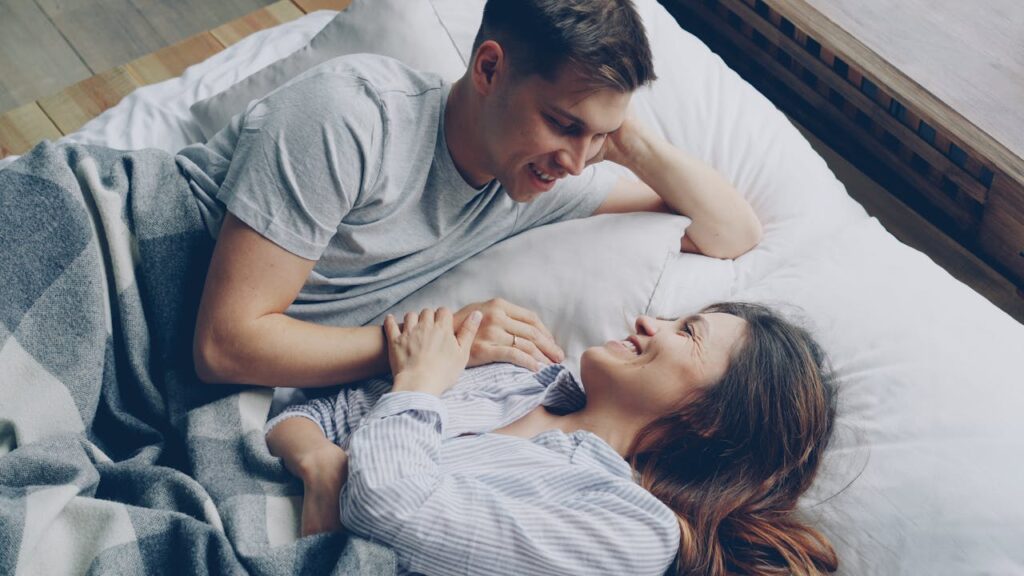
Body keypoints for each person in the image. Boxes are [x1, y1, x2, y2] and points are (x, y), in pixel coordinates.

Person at [175, 0, 763, 391]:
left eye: (599, 136)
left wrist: (627, 141)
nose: (580, 161)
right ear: (488, 69)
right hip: (122, 250)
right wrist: (442, 342)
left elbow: (731, 232)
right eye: (562, 122)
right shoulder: (352, 117)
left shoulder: (537, 182)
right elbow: (225, 345)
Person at [265, 302, 839, 576]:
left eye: (687, 333)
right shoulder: (516, 378)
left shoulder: (635, 531)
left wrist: (417, 382)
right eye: (675, 316)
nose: (649, 324)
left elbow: (387, 510)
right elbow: (314, 415)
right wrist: (321, 465)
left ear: (712, 418)